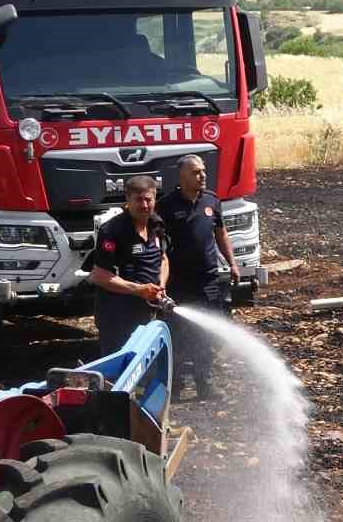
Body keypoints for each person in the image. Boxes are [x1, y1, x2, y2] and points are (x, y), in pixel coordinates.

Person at [157, 154, 239, 400]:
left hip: (208, 281)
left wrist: (232, 263)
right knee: (178, 335)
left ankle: (206, 385)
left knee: (205, 333)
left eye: (203, 171)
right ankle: (177, 386)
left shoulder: (212, 201)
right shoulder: (166, 206)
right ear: (181, 176)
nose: (202, 176)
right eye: (196, 172)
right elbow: (158, 246)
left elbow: (221, 234)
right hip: (179, 283)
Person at [90, 175, 169, 356]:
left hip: (147, 313)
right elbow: (99, 275)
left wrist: (161, 286)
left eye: (148, 199)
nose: (144, 205)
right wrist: (139, 290)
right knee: (118, 370)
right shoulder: (112, 230)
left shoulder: (157, 224)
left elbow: (163, 259)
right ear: (128, 200)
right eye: (138, 200)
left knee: (147, 368)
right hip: (116, 316)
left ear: (155, 198)